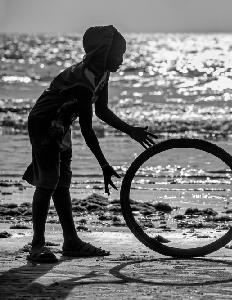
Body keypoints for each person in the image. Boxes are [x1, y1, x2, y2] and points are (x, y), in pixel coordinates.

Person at [22, 25, 158, 263]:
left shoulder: (102, 75)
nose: (122, 61)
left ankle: (71, 241)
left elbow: (102, 111)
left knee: (62, 182)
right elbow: (87, 129)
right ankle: (37, 246)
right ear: (104, 53)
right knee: (48, 182)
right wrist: (104, 165)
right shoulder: (83, 80)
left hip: (61, 123)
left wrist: (131, 131)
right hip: (44, 123)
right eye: (119, 54)